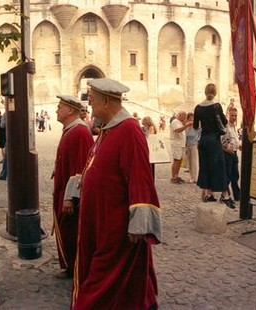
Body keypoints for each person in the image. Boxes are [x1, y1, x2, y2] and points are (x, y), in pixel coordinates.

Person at [72, 78, 161, 309]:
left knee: (104, 281)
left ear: (107, 101)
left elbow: (140, 178)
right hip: (102, 222)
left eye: (92, 100)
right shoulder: (107, 130)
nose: (89, 105)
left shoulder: (129, 131)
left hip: (117, 226)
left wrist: (138, 224)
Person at [52, 95, 94, 279]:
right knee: (66, 229)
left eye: (60, 107)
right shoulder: (71, 129)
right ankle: (70, 266)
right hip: (62, 189)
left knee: (71, 231)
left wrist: (69, 197)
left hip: (71, 196)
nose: (56, 110)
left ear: (70, 110)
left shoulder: (80, 132)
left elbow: (80, 167)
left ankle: (76, 268)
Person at [193, 83, 230, 204]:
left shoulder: (198, 107)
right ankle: (225, 195)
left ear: (205, 92)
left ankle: (209, 194)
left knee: (205, 166)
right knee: (218, 166)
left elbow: (195, 126)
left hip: (203, 140)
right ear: (215, 92)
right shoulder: (216, 106)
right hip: (214, 139)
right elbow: (224, 121)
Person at [222, 106, 241, 206]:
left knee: (235, 175)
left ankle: (237, 195)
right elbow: (220, 140)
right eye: (232, 115)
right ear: (228, 115)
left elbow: (234, 138)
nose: (234, 117)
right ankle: (225, 195)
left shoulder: (234, 126)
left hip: (234, 153)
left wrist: (239, 145)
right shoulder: (225, 126)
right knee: (228, 176)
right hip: (227, 154)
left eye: (235, 116)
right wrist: (225, 148)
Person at [170, 111, 191, 184]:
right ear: (179, 115)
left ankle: (176, 175)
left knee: (179, 160)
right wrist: (186, 125)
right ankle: (173, 177)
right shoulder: (175, 122)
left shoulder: (180, 122)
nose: (185, 117)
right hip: (176, 144)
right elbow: (178, 130)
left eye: (185, 116)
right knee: (176, 160)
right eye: (184, 116)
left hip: (181, 144)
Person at [184, 112, 200, 183]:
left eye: (192, 119)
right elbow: (185, 137)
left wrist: (198, 142)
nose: (191, 120)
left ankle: (195, 177)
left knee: (194, 162)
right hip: (188, 145)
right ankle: (190, 177)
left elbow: (199, 135)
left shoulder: (197, 127)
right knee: (189, 162)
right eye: (190, 119)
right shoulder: (186, 127)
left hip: (194, 145)